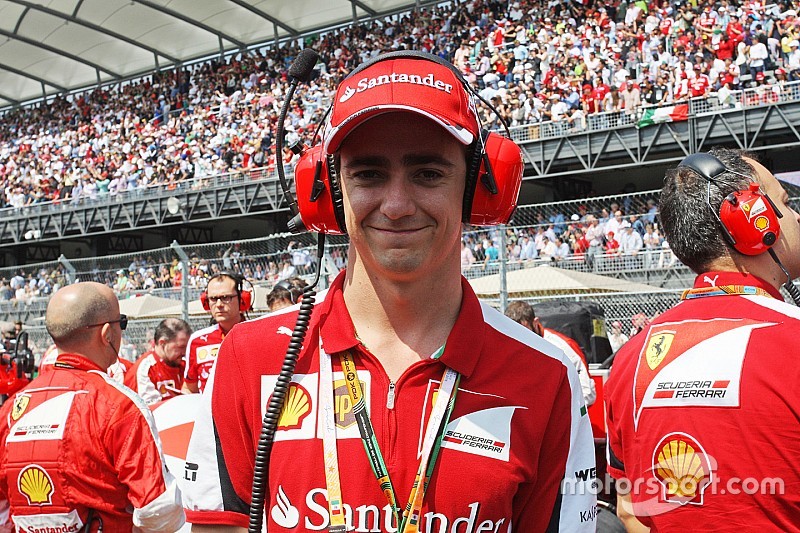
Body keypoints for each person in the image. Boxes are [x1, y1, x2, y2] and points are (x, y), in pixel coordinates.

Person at [183, 53, 596, 531]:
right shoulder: (249, 357)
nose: (396, 206)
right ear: (327, 193)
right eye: (368, 174)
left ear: (479, 190)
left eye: (428, 173)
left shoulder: (545, 374)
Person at [605, 147, 800, 531]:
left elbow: (630, 511)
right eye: (785, 202)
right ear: (752, 219)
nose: (795, 215)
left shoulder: (629, 358)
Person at [0, 281, 184, 531]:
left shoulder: (10, 410)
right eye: (122, 323)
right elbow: (160, 509)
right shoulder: (120, 405)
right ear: (107, 333)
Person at [505, 300, 597, 407]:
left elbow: (588, 392)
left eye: (525, 331)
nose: (521, 338)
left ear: (535, 323)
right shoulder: (508, 347)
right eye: (515, 333)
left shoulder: (562, 347)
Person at [182, 272, 249, 393]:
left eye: (225, 298)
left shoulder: (257, 335)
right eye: (213, 299)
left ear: (242, 299)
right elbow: (189, 388)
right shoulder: (197, 340)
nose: (219, 305)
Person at [125, 318, 192, 405]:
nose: (185, 352)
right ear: (162, 343)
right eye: (181, 347)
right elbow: (151, 410)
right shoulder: (147, 369)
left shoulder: (184, 364)